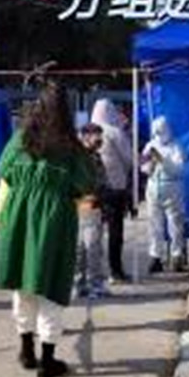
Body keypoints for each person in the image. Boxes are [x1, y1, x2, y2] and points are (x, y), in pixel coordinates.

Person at [0, 83, 95, 377]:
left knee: (23, 283)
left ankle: (26, 350)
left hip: (20, 216)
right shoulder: (70, 148)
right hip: (55, 219)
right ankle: (47, 359)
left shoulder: (20, 139)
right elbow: (85, 183)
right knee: (51, 285)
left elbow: (4, 169)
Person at [90, 99, 133, 282]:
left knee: (92, 232)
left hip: (92, 190)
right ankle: (115, 271)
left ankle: (93, 272)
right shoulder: (115, 132)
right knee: (115, 231)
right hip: (115, 187)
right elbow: (129, 159)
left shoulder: (85, 132)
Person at [141, 116, 186, 273]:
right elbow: (143, 167)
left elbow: (179, 170)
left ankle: (176, 255)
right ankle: (156, 256)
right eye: (156, 132)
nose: (158, 135)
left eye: (161, 132)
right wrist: (149, 165)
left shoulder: (176, 147)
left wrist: (163, 161)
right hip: (154, 187)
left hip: (172, 188)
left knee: (175, 224)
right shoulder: (150, 145)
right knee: (154, 224)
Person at [75, 122, 110, 300]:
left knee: (90, 248)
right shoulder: (79, 157)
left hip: (92, 207)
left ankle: (87, 284)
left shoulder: (93, 156)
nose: (99, 140)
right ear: (85, 136)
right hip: (83, 207)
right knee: (85, 249)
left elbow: (102, 180)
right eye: (97, 135)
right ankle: (88, 284)